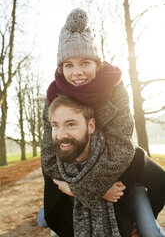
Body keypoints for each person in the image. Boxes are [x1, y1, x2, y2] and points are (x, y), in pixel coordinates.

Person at [39, 8, 165, 236]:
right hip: (76, 169)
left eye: (84, 62)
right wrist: (84, 190)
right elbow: (49, 156)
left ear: (97, 63)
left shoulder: (115, 90)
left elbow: (121, 147)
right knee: (47, 217)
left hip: (116, 166)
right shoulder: (54, 97)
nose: (77, 72)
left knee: (149, 221)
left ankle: (141, 211)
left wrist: (79, 188)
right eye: (69, 65)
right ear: (61, 68)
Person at [44, 94, 165, 237]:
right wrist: (97, 191)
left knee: (150, 231)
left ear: (91, 126)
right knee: (43, 220)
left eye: (71, 124)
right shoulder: (54, 161)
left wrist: (141, 217)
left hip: (132, 195)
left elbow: (161, 181)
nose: (60, 135)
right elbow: (54, 212)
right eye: (55, 125)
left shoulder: (123, 156)